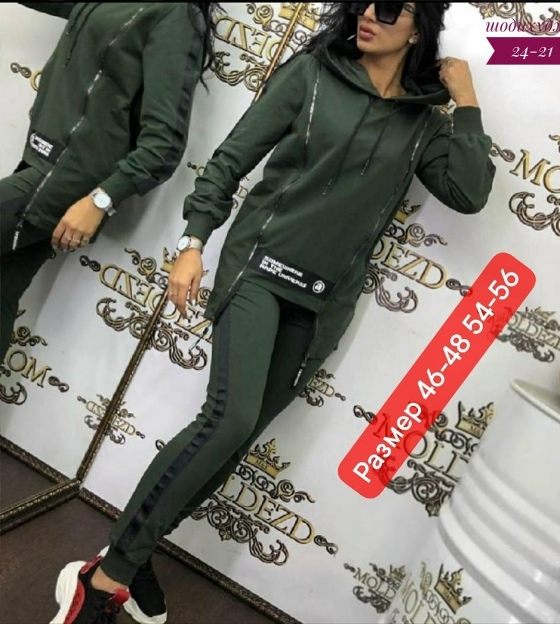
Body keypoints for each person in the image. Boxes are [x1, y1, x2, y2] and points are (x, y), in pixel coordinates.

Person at [50, 2, 496, 623]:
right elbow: (231, 159)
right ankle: (103, 580)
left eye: (391, 6)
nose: (370, 13)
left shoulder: (423, 122)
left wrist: (466, 103)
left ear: (418, 28)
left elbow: (469, 193)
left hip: (324, 303)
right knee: (227, 421)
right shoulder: (311, 75)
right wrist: (193, 243)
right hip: (259, 271)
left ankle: (137, 550)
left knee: (235, 443)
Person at [0, 2, 221, 364]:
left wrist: (100, 200)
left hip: (64, 183)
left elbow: (164, 144)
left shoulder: (175, 16)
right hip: (39, 163)